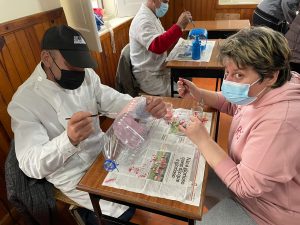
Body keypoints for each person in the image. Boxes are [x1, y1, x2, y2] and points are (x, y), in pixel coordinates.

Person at [7, 25, 167, 225]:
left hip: (102, 152)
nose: (79, 72)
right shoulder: (24, 101)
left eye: (82, 65)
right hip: (72, 172)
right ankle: (85, 215)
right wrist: (68, 140)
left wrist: (144, 105)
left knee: (143, 183)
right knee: (121, 214)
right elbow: (31, 165)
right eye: (71, 65)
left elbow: (110, 99)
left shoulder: (86, 74)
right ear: (47, 58)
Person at [178, 27, 300, 225]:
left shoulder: (281, 122)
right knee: (192, 169)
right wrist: (199, 93)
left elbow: (244, 186)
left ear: (271, 76)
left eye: (238, 75)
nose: (228, 81)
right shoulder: (267, 89)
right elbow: (231, 104)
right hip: (248, 185)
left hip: (266, 211)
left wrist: (203, 140)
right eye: (227, 73)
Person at [129, 0, 192, 96]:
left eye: (168, 2)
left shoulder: (152, 16)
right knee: (185, 95)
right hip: (149, 77)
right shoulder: (143, 20)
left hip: (158, 69)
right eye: (164, 1)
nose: (166, 5)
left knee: (188, 83)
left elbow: (163, 36)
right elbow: (158, 45)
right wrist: (179, 26)